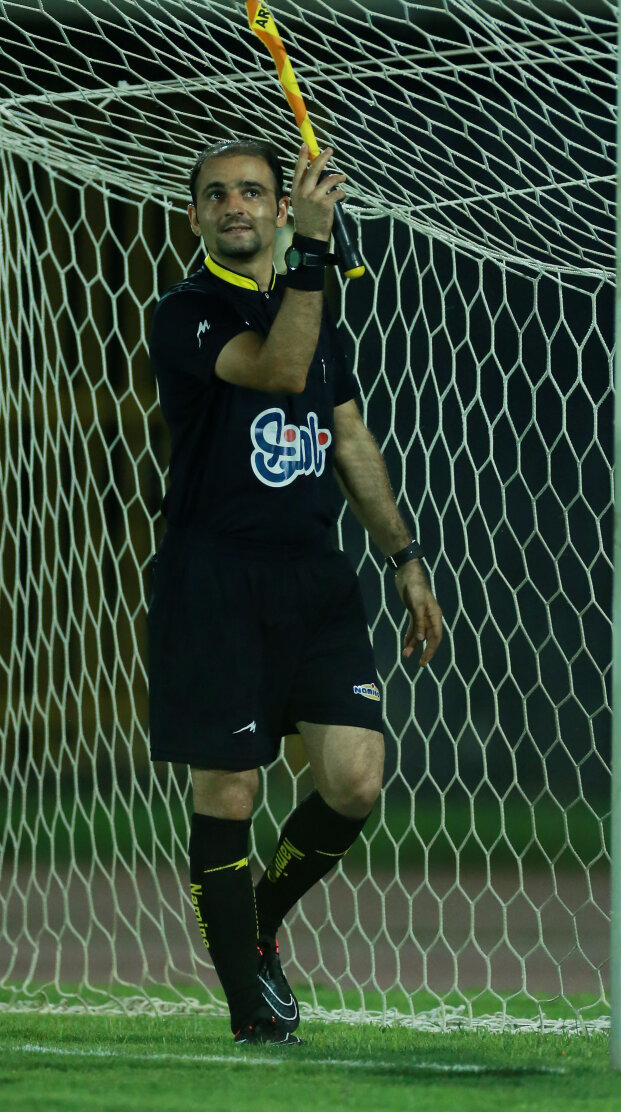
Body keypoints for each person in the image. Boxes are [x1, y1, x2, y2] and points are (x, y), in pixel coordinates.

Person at [147, 137, 443, 1046]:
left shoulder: (313, 312)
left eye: (252, 192)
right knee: (230, 790)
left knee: (355, 779)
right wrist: (312, 250)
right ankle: (253, 1013)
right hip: (216, 576)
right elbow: (276, 369)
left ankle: (256, 919)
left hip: (314, 578)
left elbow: (349, 441)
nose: (233, 205)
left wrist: (405, 556)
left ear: (279, 207)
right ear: (194, 217)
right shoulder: (185, 313)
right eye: (215, 195)